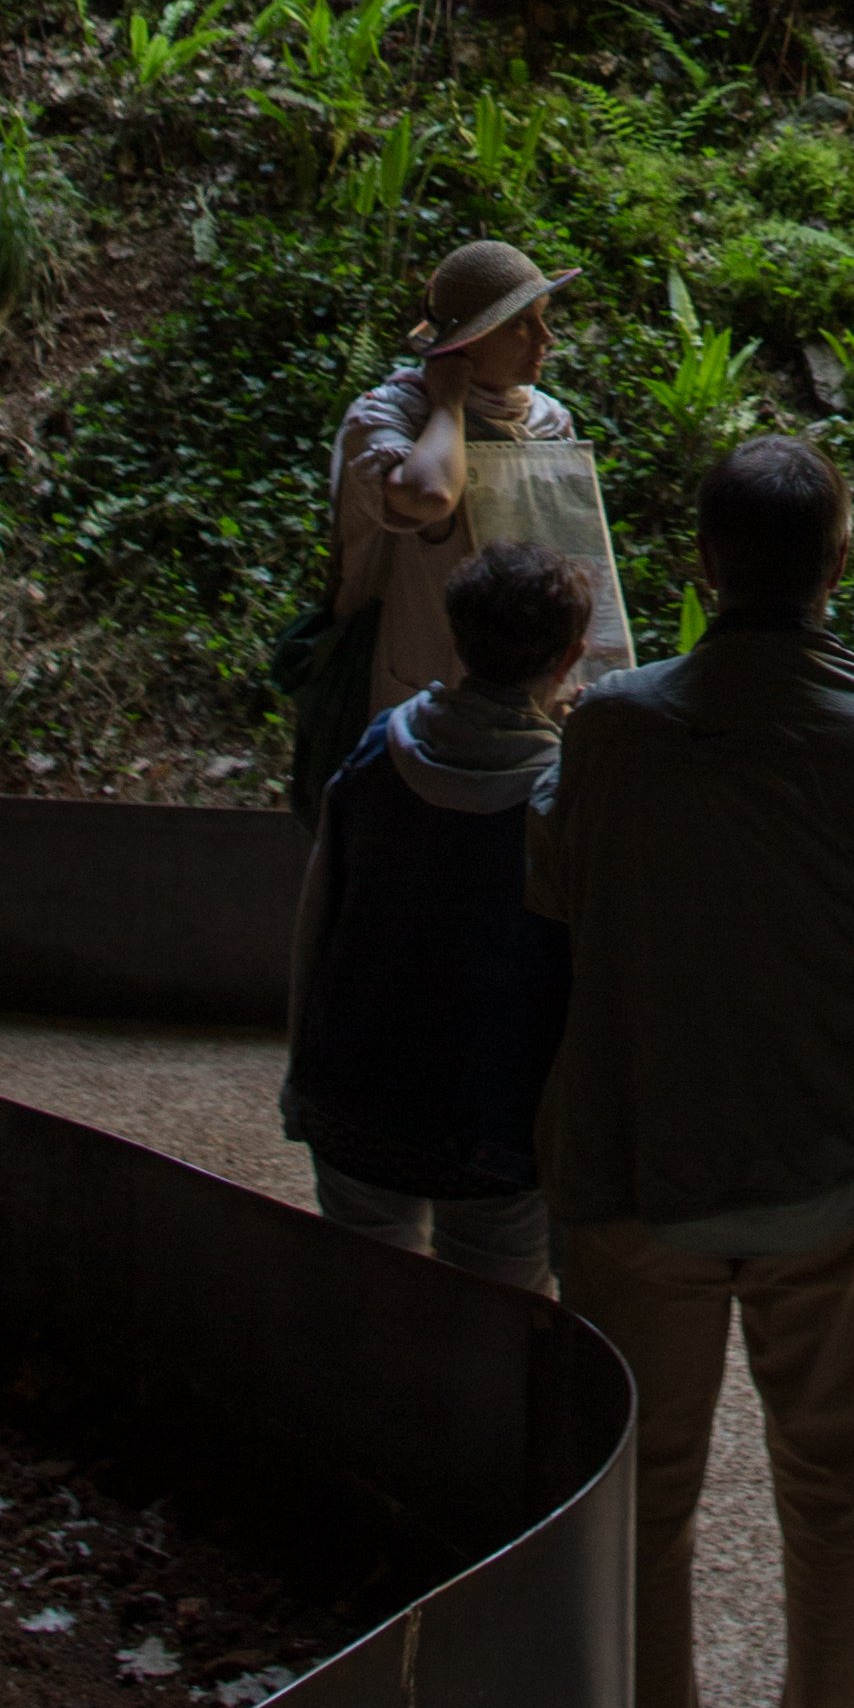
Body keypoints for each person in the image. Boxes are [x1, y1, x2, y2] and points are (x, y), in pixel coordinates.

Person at [532, 431, 854, 1708]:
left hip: (641, 1167)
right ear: (839, 566)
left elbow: (558, 899)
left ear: (701, 564)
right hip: (818, 1171)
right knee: (828, 1485)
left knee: (645, 1510)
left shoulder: (616, 733)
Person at [281, 538, 590, 1286]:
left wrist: (303, 1079)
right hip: (497, 1131)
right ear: (571, 656)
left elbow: (316, 925)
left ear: (457, 636)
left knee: (364, 1307)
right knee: (495, 1327)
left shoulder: (372, 757)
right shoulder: (569, 801)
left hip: (352, 1103)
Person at [330, 235, 636, 727]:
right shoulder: (389, 416)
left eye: (543, 317)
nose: (546, 338)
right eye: (520, 325)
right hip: (424, 671)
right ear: (466, 344)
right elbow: (430, 496)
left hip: (532, 679)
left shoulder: (547, 420)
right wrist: (448, 404)